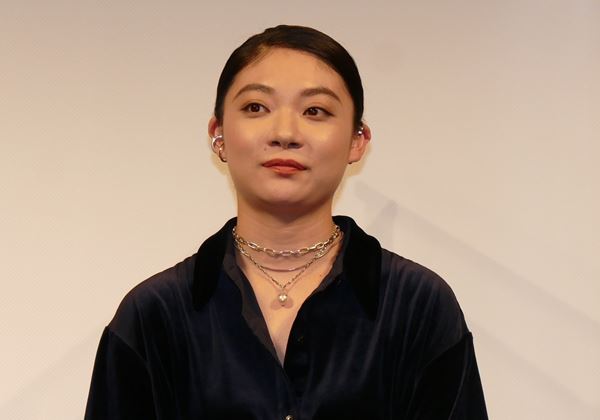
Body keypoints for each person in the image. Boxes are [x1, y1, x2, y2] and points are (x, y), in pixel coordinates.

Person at [85, 25, 488, 419]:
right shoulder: (154, 313)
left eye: (315, 111)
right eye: (255, 107)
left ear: (357, 140)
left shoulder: (418, 305)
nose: (285, 133)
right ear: (218, 134)